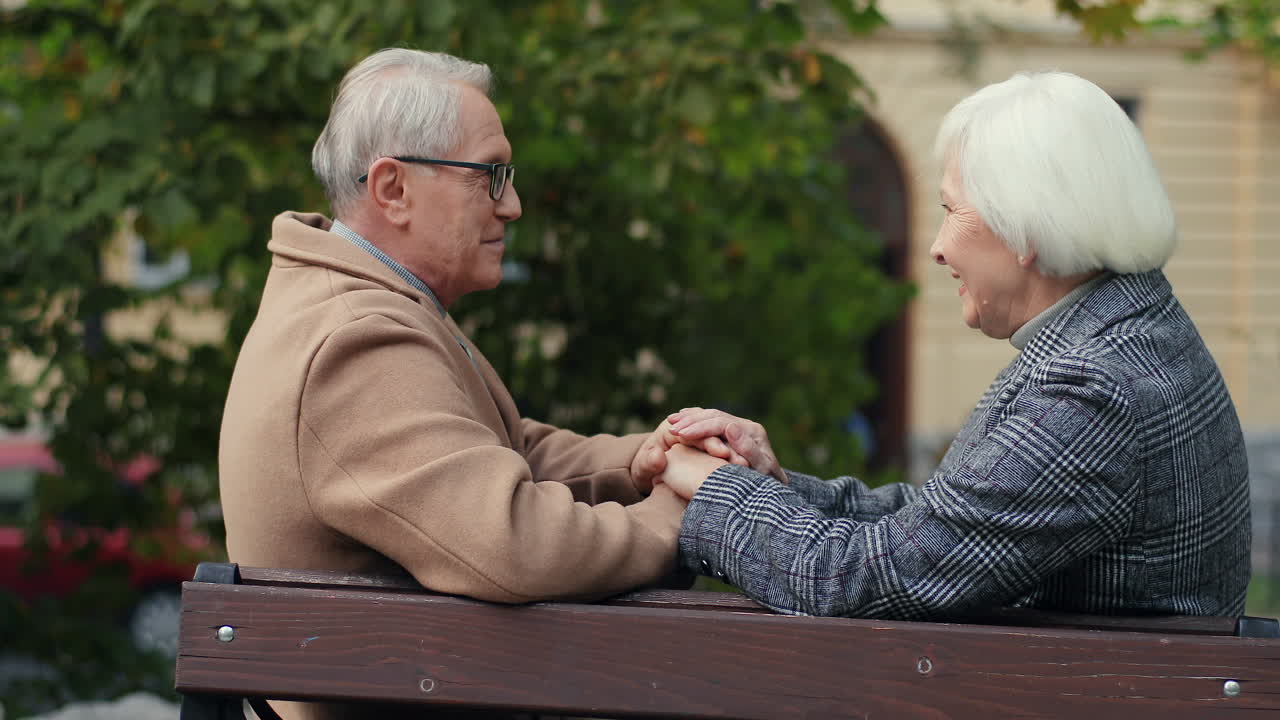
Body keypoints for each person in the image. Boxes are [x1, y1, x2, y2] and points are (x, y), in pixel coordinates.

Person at [658, 70, 1251, 620]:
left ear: (1027, 227)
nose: (938, 248)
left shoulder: (1095, 393)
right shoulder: (1132, 335)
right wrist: (771, 483)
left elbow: (858, 578)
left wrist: (710, 487)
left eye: (952, 212)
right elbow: (946, 525)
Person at [219, 49, 699, 718]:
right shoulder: (356, 340)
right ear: (392, 189)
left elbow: (508, 451)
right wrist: (684, 515)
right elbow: (513, 544)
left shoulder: (370, 303)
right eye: (490, 176)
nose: (513, 206)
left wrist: (649, 459)